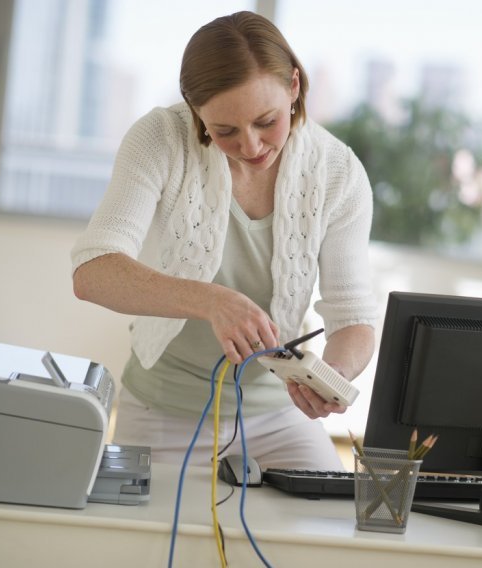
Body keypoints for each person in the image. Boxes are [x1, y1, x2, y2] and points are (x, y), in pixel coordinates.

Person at [71, 11, 377, 471]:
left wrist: (331, 377)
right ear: (196, 111)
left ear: (294, 87)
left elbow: (353, 317)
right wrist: (212, 300)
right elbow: (94, 271)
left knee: (325, 531)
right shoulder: (160, 138)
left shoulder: (339, 172)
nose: (251, 146)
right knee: (150, 543)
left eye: (266, 121)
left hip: (279, 416)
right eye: (225, 131)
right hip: (164, 410)